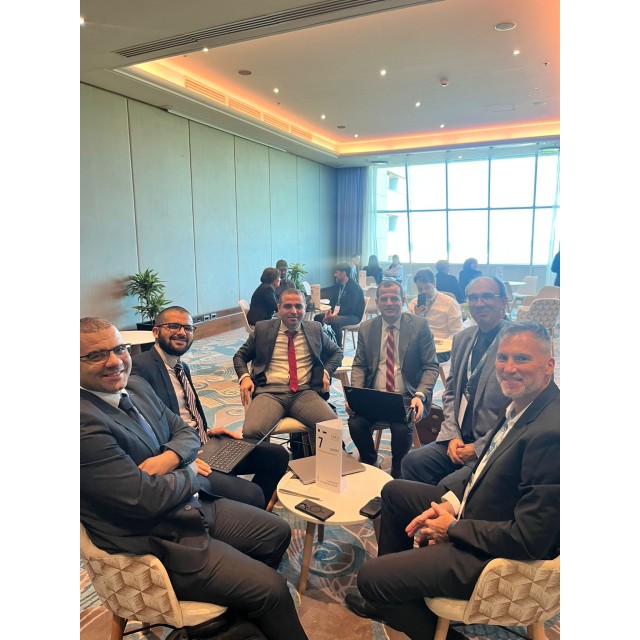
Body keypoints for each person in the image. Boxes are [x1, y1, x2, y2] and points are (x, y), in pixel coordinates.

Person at [80, 317, 309, 640]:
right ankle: (244, 609)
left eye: (120, 349)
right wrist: (190, 471)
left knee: (277, 532)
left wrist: (171, 458)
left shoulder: (136, 386)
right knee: (272, 589)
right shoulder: (82, 423)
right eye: (96, 355)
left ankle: (238, 616)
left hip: (188, 504)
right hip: (155, 540)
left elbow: (186, 432)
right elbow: (145, 499)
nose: (115, 361)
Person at [344, 321, 559, 640]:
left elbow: (530, 539)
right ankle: (397, 593)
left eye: (522, 358)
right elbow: (483, 467)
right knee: (394, 491)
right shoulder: (523, 405)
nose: (508, 368)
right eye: (502, 357)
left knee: (369, 579)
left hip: (497, 556)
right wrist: (451, 502)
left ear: (549, 365)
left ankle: (390, 596)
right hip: (482, 512)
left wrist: (453, 528)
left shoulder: (552, 433)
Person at [131, 305, 289, 509]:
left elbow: (185, 411)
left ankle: (254, 514)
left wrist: (206, 431)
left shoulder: (181, 366)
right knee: (253, 494)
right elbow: (142, 429)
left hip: (204, 442)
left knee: (278, 456)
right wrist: (179, 457)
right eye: (174, 326)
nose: (182, 332)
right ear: (155, 332)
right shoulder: (140, 368)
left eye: (188, 328)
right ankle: (250, 513)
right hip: (184, 455)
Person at [401, 277, 510, 486]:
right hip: (458, 437)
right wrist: (452, 435)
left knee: (449, 486)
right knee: (412, 463)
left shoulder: (517, 341)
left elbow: (521, 412)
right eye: (473, 298)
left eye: (487, 296)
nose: (479, 303)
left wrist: (478, 447)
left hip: (495, 446)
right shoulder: (462, 339)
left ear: (503, 301)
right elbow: (450, 392)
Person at [347, 279, 440, 478]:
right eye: (384, 299)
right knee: (355, 423)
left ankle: (398, 470)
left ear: (403, 300)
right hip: (374, 395)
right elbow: (359, 365)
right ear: (377, 303)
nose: (389, 303)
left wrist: (420, 395)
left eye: (394, 298)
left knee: (401, 428)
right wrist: (356, 394)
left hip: (406, 396)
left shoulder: (419, 326)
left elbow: (431, 366)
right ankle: (371, 462)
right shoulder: (367, 328)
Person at [234, 288, 343, 454]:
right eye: (287, 306)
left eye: (298, 306)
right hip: (269, 393)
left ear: (305, 308)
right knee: (252, 432)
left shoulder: (315, 329)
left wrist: (326, 372)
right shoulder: (263, 329)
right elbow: (240, 356)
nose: (294, 311)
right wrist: (245, 377)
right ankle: (268, 467)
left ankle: (324, 468)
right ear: (278, 308)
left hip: (304, 392)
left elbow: (337, 352)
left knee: (331, 427)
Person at [407, 268, 462, 363]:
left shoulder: (450, 303)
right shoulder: (414, 303)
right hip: (420, 345)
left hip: (442, 347)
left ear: (434, 284)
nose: (423, 291)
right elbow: (407, 330)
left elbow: (456, 332)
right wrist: (416, 317)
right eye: (420, 289)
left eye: (427, 288)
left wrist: (443, 346)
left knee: (421, 362)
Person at [313, 263, 365, 349]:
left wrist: (335, 316)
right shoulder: (338, 285)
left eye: (337, 272)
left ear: (343, 273)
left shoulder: (354, 288)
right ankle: (322, 344)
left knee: (335, 321)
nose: (335, 275)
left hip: (353, 315)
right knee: (318, 318)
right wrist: (328, 313)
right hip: (338, 313)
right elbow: (333, 302)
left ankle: (338, 348)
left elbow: (350, 308)